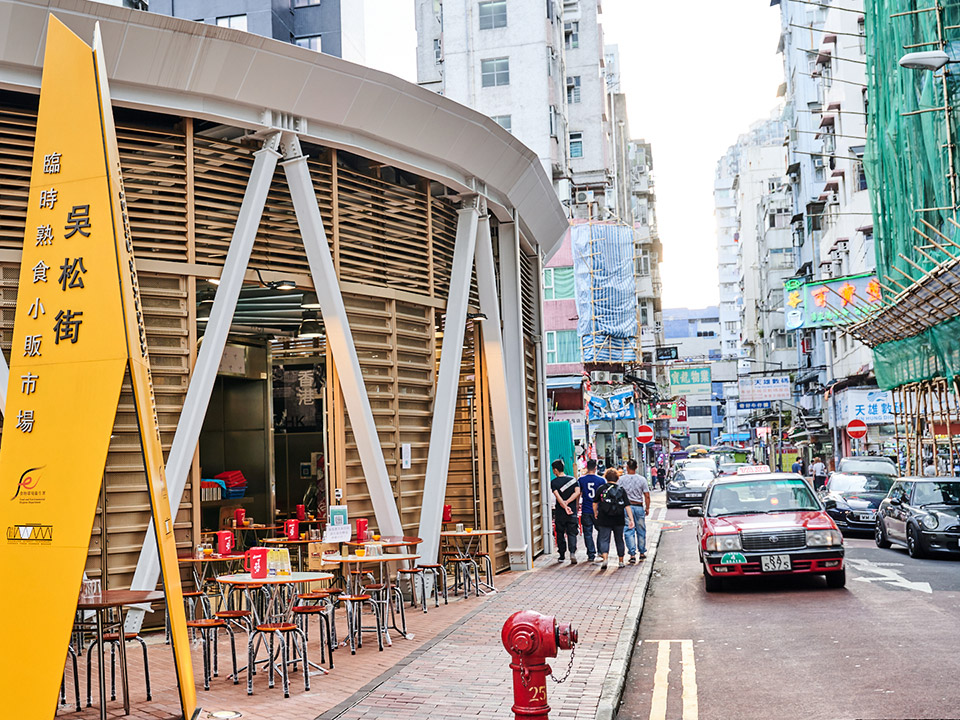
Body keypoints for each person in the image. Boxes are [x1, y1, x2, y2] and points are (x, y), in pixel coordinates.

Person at [593, 468, 634, 570]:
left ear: (606, 477)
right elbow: (627, 506)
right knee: (619, 539)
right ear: (617, 478)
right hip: (618, 519)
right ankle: (620, 561)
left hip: (604, 518)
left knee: (604, 539)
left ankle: (605, 558)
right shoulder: (621, 490)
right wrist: (631, 519)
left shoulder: (601, 489)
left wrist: (595, 513)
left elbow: (594, 503)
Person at [619, 459, 651, 563]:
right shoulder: (642, 479)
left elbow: (618, 494)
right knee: (641, 530)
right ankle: (642, 552)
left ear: (627, 467)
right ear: (636, 467)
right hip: (639, 507)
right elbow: (647, 495)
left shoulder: (621, 480)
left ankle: (632, 554)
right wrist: (647, 508)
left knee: (629, 530)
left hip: (626, 508)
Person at [550, 459, 581, 564]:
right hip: (572, 512)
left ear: (555, 470)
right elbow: (577, 492)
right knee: (572, 533)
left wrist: (564, 505)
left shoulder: (554, 482)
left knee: (560, 534)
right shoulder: (573, 479)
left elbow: (557, 496)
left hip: (560, 513)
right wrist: (568, 503)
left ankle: (562, 555)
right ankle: (572, 552)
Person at [577, 459, 605, 562]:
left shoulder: (581, 480)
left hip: (586, 509)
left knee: (587, 532)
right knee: (601, 531)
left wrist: (576, 506)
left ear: (587, 467)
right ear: (596, 467)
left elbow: (578, 495)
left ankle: (591, 554)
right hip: (598, 510)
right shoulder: (601, 480)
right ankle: (600, 551)